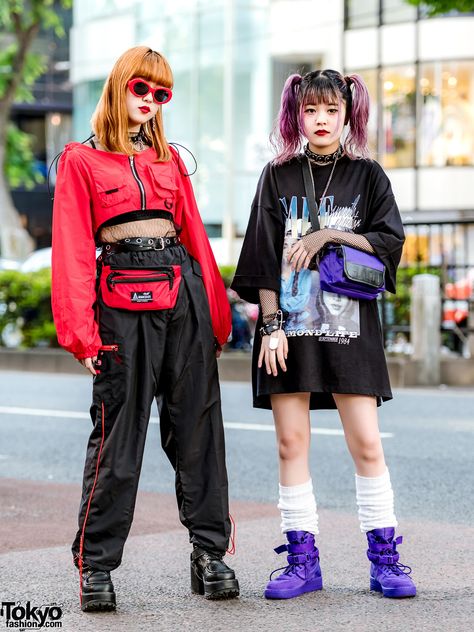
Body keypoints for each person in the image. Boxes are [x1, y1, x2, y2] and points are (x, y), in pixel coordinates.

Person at [51, 46, 239, 611]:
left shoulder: (169, 161)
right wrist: (80, 333)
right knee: (118, 437)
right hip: (119, 302)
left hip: (181, 296)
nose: (150, 103)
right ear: (118, 87)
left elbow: (195, 240)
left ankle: (210, 554)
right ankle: (96, 566)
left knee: (199, 432)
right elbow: (74, 251)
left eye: (161, 95)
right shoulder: (80, 161)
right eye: (141, 89)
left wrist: (217, 317)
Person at [231, 69, 416, 600]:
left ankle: (385, 558)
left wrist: (327, 234)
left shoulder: (368, 174)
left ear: (346, 114)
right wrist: (270, 326)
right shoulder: (277, 175)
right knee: (291, 443)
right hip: (290, 331)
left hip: (352, 329)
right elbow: (262, 256)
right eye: (311, 111)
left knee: (366, 443)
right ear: (296, 115)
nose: (321, 120)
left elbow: (387, 240)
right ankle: (301, 561)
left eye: (331, 110)